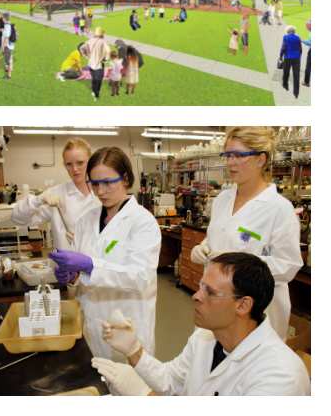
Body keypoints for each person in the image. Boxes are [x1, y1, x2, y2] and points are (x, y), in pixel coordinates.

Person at [92, 253, 310, 395]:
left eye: (210, 292)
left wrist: (143, 396)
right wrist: (134, 351)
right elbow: (172, 380)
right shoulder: (206, 337)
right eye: (200, 286)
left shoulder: (279, 377)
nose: (195, 296)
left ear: (243, 305)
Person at [49, 146, 161, 361]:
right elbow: (82, 273)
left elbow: (140, 277)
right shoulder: (86, 220)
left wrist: (91, 265)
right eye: (94, 183)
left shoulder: (142, 222)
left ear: (126, 179)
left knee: (129, 387)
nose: (100, 191)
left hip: (127, 326)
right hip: (92, 323)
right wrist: (72, 276)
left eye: (108, 182)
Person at [190, 127, 301, 339]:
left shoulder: (279, 208)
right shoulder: (222, 199)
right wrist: (203, 247)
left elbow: (288, 265)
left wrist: (240, 268)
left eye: (238, 155)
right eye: (227, 155)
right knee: (208, 363)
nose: (230, 162)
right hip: (215, 303)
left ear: (260, 159)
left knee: (249, 368)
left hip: (255, 313)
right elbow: (220, 236)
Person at [11, 138, 99, 251]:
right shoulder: (57, 194)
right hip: (66, 267)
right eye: (69, 164)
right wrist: (38, 199)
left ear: (90, 161)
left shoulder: (102, 192)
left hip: (97, 265)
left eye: (80, 163)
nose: (75, 169)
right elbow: (17, 219)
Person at [83, 27, 110, 101]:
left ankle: (93, 91)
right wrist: (106, 59)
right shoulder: (103, 41)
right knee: (98, 80)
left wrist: (86, 56)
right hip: (99, 65)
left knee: (94, 79)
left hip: (91, 64)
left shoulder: (90, 40)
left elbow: (82, 48)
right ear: (101, 34)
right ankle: (96, 94)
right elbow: (108, 51)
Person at [280, 25, 303, 98]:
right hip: (296, 58)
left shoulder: (285, 37)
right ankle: (296, 93)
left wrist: (280, 56)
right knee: (296, 76)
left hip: (288, 57)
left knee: (286, 72)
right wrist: (299, 57)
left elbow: (283, 48)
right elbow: (300, 49)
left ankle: (285, 85)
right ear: (294, 31)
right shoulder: (298, 38)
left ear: (288, 31)